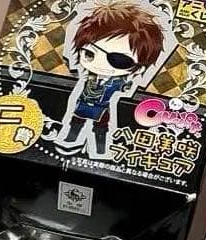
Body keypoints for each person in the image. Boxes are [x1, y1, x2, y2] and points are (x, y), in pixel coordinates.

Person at [57, 0, 174, 158]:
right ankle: (71, 139)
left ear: (139, 66)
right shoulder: (90, 76)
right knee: (76, 122)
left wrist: (128, 87)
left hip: (103, 108)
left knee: (101, 129)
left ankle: (100, 149)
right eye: (89, 54)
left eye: (119, 60)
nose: (100, 64)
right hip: (84, 104)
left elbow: (126, 90)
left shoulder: (120, 82)